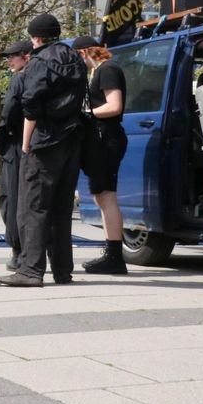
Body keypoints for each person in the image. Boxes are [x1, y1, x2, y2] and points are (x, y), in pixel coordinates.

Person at [0, 13, 87, 288]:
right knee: (61, 208)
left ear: (35, 37)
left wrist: (26, 143)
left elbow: (31, 102)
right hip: (72, 140)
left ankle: (30, 270)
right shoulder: (74, 58)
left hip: (46, 140)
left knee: (33, 206)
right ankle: (63, 270)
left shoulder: (40, 61)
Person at [74, 34, 129, 275]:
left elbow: (114, 105)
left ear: (83, 53)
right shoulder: (101, 71)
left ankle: (115, 256)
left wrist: (87, 113)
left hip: (107, 139)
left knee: (106, 196)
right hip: (103, 139)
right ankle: (112, 253)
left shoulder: (108, 69)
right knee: (102, 196)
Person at [0, 39, 32, 271]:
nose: (9, 60)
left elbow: (8, 112)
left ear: (25, 56)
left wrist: (1, 139)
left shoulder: (19, 79)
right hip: (38, 145)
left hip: (18, 146)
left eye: (13, 55)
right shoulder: (41, 76)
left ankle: (18, 251)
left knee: (11, 199)